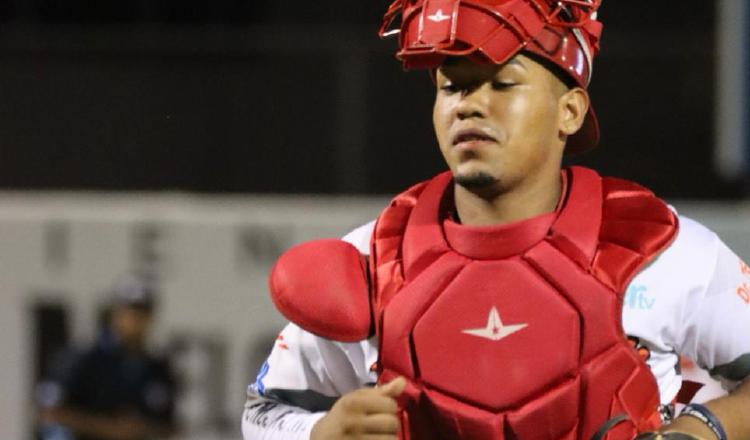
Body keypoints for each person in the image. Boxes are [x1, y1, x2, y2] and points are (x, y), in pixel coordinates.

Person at [242, 1, 750, 439]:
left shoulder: (654, 247)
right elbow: (262, 413)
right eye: (451, 87)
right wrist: (321, 431)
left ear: (569, 112)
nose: (472, 105)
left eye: (503, 83)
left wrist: (702, 428)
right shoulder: (375, 259)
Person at [37, 273, 178, 440]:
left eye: (143, 312)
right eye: (130, 311)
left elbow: (170, 426)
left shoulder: (158, 367)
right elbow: (49, 411)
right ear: (115, 314)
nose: (136, 320)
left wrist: (141, 428)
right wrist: (107, 427)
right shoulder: (85, 358)